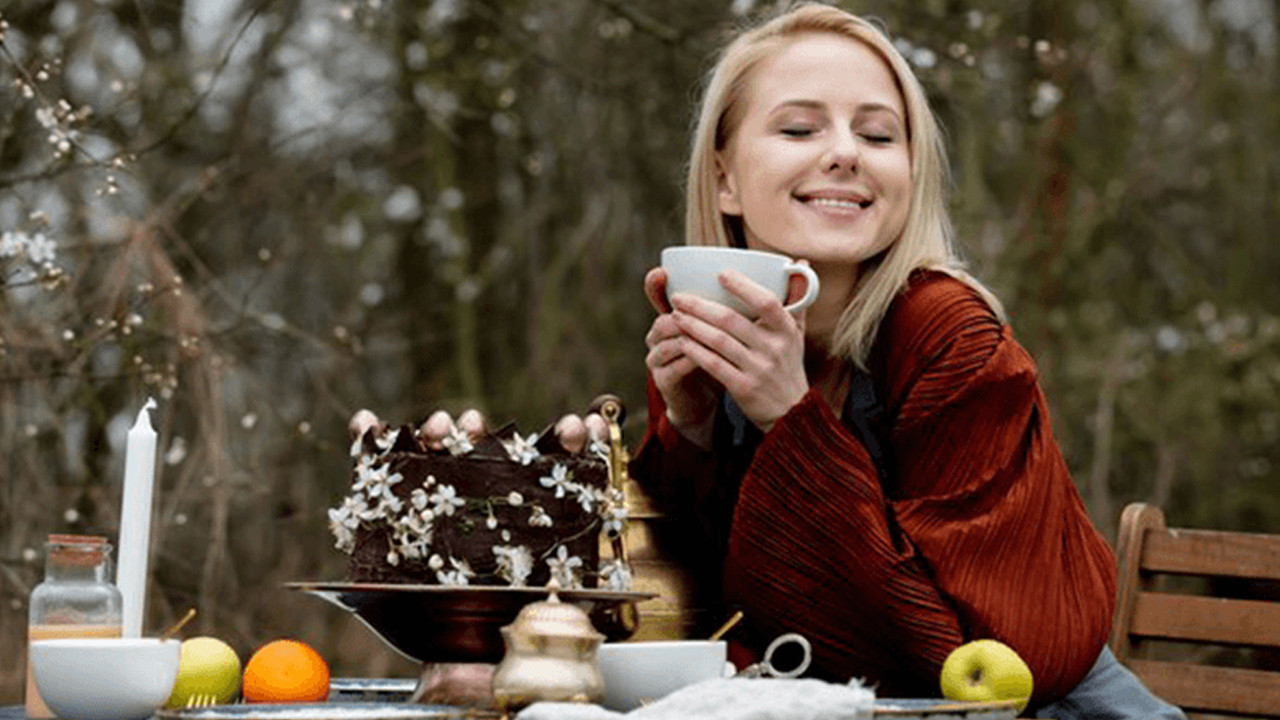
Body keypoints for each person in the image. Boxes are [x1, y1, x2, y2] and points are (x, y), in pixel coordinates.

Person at [624, 4, 1185, 719]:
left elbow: (967, 662)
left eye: (878, 135)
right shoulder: (717, 335)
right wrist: (689, 434)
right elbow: (682, 618)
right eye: (799, 129)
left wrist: (791, 421)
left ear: (910, 174)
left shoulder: (951, 339)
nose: (845, 153)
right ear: (724, 177)